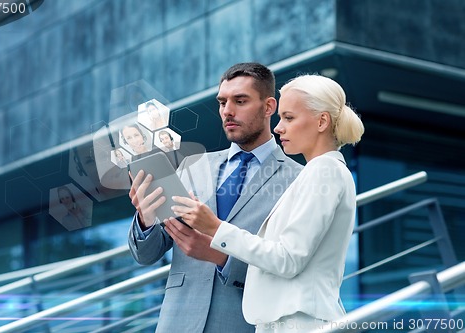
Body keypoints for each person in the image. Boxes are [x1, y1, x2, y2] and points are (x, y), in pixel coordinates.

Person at [170, 74, 365, 332]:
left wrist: (216, 228)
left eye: (289, 118)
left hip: (298, 321)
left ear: (322, 121)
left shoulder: (324, 171)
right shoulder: (320, 171)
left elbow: (287, 259)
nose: (278, 127)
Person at [128, 63, 302, 332]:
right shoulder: (192, 166)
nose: (227, 111)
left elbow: (290, 268)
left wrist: (221, 257)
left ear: (269, 107)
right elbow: (146, 255)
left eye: (240, 101)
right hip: (177, 322)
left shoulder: (298, 180)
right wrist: (145, 218)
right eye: (222, 102)